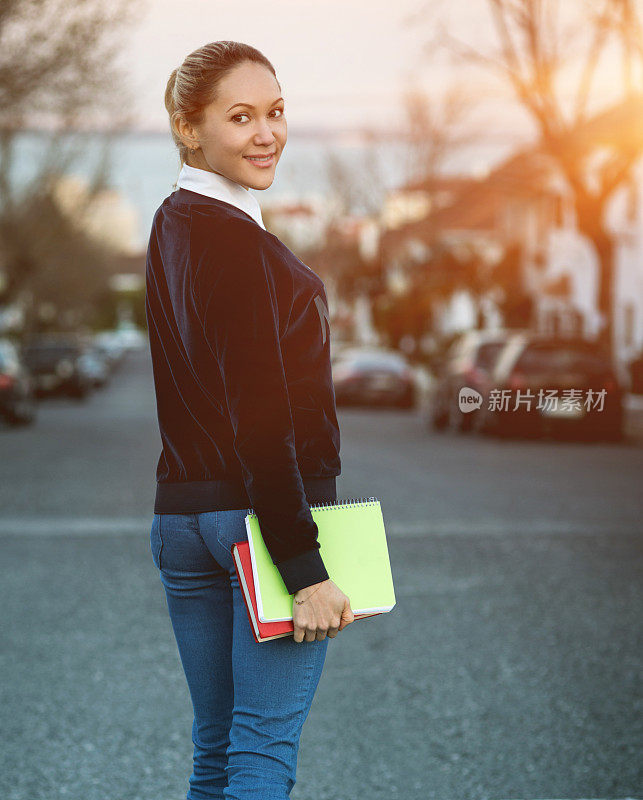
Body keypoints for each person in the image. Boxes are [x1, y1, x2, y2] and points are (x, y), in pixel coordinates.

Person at [145, 40, 354, 800]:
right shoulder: (235, 243)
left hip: (183, 521)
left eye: (274, 112)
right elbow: (261, 417)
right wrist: (303, 566)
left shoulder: (175, 223)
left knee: (217, 753)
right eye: (240, 117)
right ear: (187, 126)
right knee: (260, 753)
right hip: (259, 528)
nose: (266, 133)